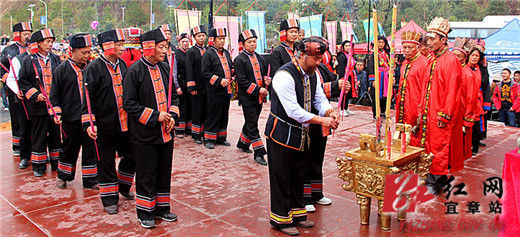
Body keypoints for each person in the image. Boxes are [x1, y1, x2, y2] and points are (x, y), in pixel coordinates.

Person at [265, 36, 339, 236]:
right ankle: (280, 218)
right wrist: (321, 120)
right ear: (301, 55)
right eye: (315, 59)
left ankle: (298, 214)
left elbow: (319, 98)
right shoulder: (284, 76)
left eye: (320, 58)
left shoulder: (312, 74)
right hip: (280, 134)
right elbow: (293, 111)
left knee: (298, 174)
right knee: (282, 176)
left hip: (301, 134)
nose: (318, 63)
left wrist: (328, 111)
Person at [123, 28, 179, 228]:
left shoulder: (165, 68)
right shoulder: (134, 71)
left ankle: (162, 209)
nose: (165, 51)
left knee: (164, 171)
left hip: (166, 132)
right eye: (161, 47)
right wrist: (156, 116)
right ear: (148, 48)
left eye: (166, 47)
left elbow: (174, 95)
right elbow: (129, 104)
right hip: (144, 133)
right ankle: (145, 212)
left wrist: (172, 114)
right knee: (147, 172)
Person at [82, 29, 136, 214]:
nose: (122, 48)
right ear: (108, 46)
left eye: (122, 44)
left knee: (132, 156)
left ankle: (123, 185)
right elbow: (87, 100)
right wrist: (90, 123)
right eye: (119, 44)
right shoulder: (93, 68)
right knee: (105, 162)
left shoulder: (122, 65)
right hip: (104, 125)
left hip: (125, 122)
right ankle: (109, 199)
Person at [421, 17, 464, 195]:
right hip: (429, 111)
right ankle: (431, 178)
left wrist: (444, 114)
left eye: (432, 39)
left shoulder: (450, 60)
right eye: (428, 39)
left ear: (443, 40)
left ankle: (436, 183)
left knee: (439, 147)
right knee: (429, 146)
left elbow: (452, 91)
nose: (429, 43)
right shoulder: (433, 59)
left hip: (440, 112)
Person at [50, 34, 98, 189]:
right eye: (83, 52)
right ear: (72, 51)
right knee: (69, 147)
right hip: (71, 117)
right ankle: (63, 175)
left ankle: (90, 179)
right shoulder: (61, 70)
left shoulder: (93, 68)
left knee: (91, 148)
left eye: (88, 52)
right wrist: (56, 113)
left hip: (90, 117)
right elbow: (54, 95)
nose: (87, 56)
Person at [18, 29, 62, 177]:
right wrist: (36, 95)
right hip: (38, 105)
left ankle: (56, 162)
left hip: (54, 105)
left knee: (56, 135)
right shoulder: (29, 60)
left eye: (52, 41)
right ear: (39, 43)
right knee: (39, 135)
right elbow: (23, 82)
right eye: (47, 42)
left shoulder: (56, 59)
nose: (50, 45)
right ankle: (39, 165)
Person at [234, 29, 270, 166]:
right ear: (243, 44)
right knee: (253, 124)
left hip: (259, 97)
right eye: (249, 42)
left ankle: (243, 143)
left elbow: (264, 74)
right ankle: (259, 152)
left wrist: (267, 80)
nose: (253, 44)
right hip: (247, 97)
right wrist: (258, 89)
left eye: (254, 41)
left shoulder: (260, 57)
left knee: (250, 121)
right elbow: (242, 81)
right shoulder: (239, 60)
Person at [0, 22, 32, 161]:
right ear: (17, 35)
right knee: (17, 118)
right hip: (15, 91)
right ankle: (18, 146)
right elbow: (2, 70)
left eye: (30, 33)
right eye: (25, 34)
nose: (28, 36)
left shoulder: (34, 49)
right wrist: (13, 84)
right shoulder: (9, 51)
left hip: (30, 90)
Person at [200, 28, 233, 149]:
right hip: (214, 90)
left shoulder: (226, 53)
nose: (222, 41)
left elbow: (231, 67)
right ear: (213, 40)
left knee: (224, 114)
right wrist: (219, 80)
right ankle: (209, 138)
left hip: (226, 90)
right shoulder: (208, 54)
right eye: (219, 39)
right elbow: (205, 72)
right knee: (213, 114)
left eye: (223, 39)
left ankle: (221, 137)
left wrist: (232, 75)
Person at [395, 31, 428, 147]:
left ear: (417, 47)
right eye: (405, 47)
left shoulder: (424, 63)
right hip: (403, 104)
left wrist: (421, 109)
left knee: (414, 136)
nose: (407, 50)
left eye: (410, 47)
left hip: (415, 105)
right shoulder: (404, 63)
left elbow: (426, 89)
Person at [186, 25, 207, 144]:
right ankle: (196, 134)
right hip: (197, 86)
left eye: (203, 35)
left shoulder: (209, 50)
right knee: (197, 110)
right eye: (199, 36)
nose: (202, 38)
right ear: (194, 38)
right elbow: (189, 69)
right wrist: (191, 87)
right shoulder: (191, 52)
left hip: (207, 86)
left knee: (206, 110)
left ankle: (205, 132)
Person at [367, 36, 390, 119]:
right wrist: (373, 80)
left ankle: (383, 112)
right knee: (375, 95)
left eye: (382, 42)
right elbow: (370, 67)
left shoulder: (386, 54)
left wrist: (392, 76)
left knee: (385, 95)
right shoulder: (374, 54)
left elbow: (390, 65)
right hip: (378, 77)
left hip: (386, 77)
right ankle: (375, 113)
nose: (381, 44)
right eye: (379, 42)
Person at [174, 33, 192, 138]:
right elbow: (174, 72)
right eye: (183, 41)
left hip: (189, 83)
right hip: (180, 83)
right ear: (179, 42)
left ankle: (188, 128)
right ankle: (179, 129)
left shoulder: (190, 53)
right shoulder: (176, 54)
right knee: (182, 106)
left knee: (190, 106)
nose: (185, 43)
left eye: (187, 41)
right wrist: (177, 86)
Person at [336, 40, 356, 116]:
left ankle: (346, 108)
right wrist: (343, 77)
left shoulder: (351, 55)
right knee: (343, 92)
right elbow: (341, 67)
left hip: (351, 75)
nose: (348, 47)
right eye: (346, 46)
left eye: (349, 46)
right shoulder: (341, 55)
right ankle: (341, 109)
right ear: (343, 47)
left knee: (349, 92)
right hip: (345, 75)